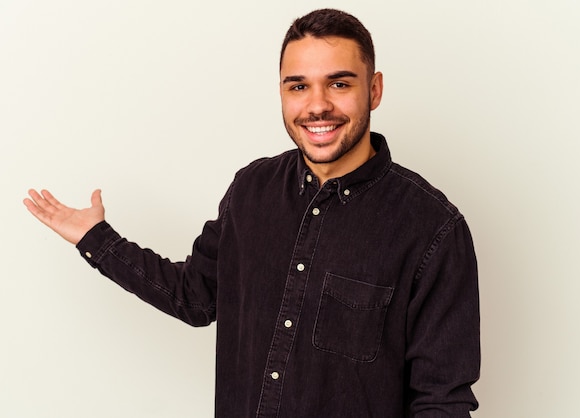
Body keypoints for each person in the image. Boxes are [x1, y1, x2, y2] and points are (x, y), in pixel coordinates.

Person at [24, 8, 480, 417]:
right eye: (298, 86)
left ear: (374, 89)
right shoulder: (251, 189)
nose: (317, 104)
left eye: (339, 83)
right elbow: (194, 297)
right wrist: (97, 239)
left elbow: (441, 402)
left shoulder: (432, 229)